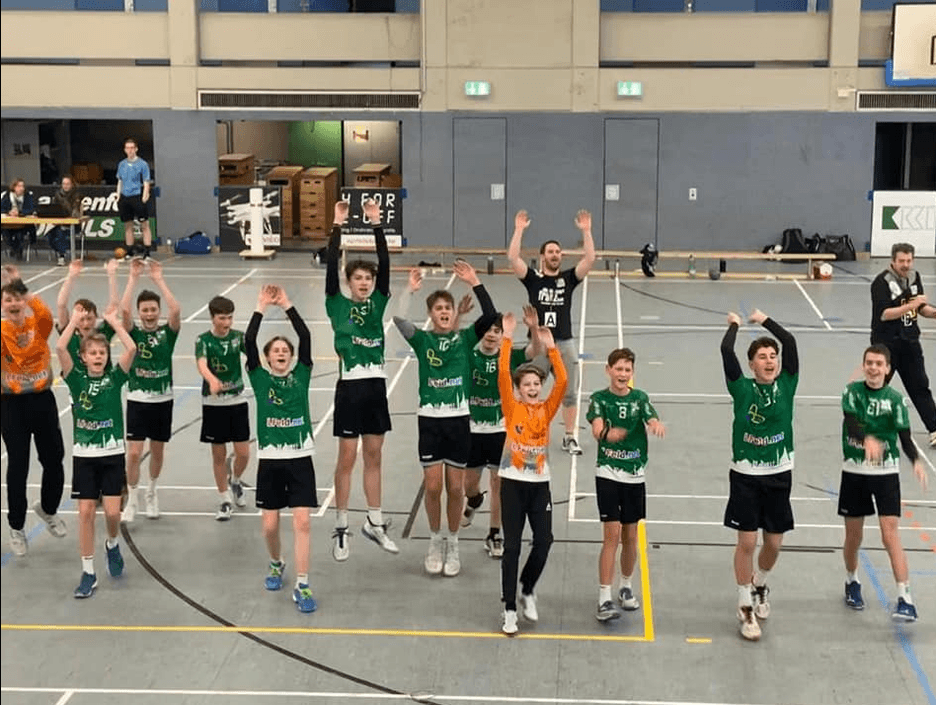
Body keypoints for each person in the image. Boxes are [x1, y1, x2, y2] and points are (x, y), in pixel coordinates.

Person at [393, 261, 498, 577]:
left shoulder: (465, 339)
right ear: (431, 314)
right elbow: (399, 319)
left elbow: (491, 315)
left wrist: (475, 281)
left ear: (453, 314)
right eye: (438, 308)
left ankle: (453, 543)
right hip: (430, 422)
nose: (443, 312)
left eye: (447, 308)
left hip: (458, 422)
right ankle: (434, 540)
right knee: (432, 486)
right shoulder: (422, 340)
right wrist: (409, 291)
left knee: (455, 488)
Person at [720, 308, 799, 642]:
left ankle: (760, 583)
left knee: (774, 544)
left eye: (772, 356)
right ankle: (745, 606)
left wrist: (765, 320)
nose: (769, 361)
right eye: (762, 357)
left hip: (779, 473)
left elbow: (790, 342)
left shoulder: (787, 384)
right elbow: (726, 350)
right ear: (751, 364)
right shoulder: (741, 389)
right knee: (747, 542)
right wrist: (735, 325)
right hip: (746, 475)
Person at [325, 199, 396, 561]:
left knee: (374, 456)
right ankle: (341, 528)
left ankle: (375, 522)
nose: (365, 283)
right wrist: (337, 224)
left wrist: (376, 223)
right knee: (347, 458)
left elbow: (385, 262)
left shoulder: (378, 303)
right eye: (358, 278)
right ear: (349, 282)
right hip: (350, 387)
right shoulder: (336, 304)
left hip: (375, 386)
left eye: (368, 279)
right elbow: (330, 266)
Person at [839, 344, 928, 621]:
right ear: (864, 365)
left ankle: (905, 598)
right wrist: (866, 440)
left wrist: (915, 460)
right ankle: (852, 580)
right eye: (869, 363)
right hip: (854, 471)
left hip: (886, 473)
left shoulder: (896, 400)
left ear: (888, 369)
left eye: (879, 364)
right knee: (854, 536)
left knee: (890, 535)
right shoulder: (852, 392)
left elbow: (904, 436)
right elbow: (851, 423)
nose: (873, 368)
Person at [246, 284, 318, 613]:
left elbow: (305, 336)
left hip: (300, 460)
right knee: (270, 526)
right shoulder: (260, 379)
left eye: (285, 350)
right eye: (275, 350)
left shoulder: (302, 375)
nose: (281, 353)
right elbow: (249, 341)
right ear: (267, 357)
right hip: (270, 462)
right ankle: (277, 562)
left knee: (302, 523)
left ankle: (302, 584)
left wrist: (288, 305)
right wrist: (261, 306)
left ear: (291, 356)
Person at [57, 301, 137, 598]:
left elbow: (131, 349)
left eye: (102, 352)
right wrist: (73, 321)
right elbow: (60, 348)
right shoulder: (75, 378)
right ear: (83, 357)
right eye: (92, 353)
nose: (98, 356)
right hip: (85, 457)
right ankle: (88, 572)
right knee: (86, 512)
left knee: (113, 514)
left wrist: (114, 323)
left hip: (112, 454)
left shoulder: (115, 378)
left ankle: (112, 544)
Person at [497, 313, 566, 635]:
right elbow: (502, 373)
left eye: (537, 384)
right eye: (527, 384)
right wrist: (507, 337)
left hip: (540, 485)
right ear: (519, 389)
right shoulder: (512, 407)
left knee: (544, 540)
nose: (533, 388)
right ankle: (509, 608)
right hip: (512, 484)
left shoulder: (546, 410)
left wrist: (552, 350)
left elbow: (562, 383)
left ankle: (527, 588)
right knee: (511, 546)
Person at [506, 209, 596, 455]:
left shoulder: (569, 279)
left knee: (570, 392)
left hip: (563, 343)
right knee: (527, 387)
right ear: (542, 256)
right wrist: (519, 229)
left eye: (558, 252)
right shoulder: (533, 279)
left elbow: (589, 259)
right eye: (550, 252)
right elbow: (513, 257)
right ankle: (525, 432)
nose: (555, 255)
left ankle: (569, 436)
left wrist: (586, 231)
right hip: (537, 344)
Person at [587, 348, 665, 623]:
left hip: (634, 476)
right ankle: (603, 597)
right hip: (608, 472)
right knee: (612, 534)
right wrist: (608, 434)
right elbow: (596, 429)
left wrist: (655, 424)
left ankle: (626, 586)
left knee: (631, 536)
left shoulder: (640, 398)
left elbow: (651, 417)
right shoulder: (599, 399)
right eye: (618, 369)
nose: (622, 374)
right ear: (608, 370)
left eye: (627, 370)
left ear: (632, 373)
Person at [462, 304, 540, 559]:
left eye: (497, 331)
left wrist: (533, 329)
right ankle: (474, 500)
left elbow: (534, 351)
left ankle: (494, 534)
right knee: (469, 484)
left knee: (498, 483)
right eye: (488, 330)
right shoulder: (469, 355)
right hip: (473, 429)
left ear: (502, 334)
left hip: (500, 429)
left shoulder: (509, 356)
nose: (491, 334)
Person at [1, 265, 67, 557]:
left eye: (18, 299)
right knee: (18, 465)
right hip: (11, 404)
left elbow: (44, 313)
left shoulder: (37, 326)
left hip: (42, 399)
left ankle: (48, 509)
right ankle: (16, 527)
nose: (14, 303)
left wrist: (19, 284)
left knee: (54, 458)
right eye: (8, 300)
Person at [119, 258, 181, 522]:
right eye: (144, 310)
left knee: (157, 451)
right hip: (137, 399)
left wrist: (158, 279)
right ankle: (132, 499)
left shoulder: (169, 333)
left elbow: (176, 310)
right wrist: (133, 278)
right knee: (134, 453)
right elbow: (123, 311)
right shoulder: (133, 333)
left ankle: (152, 492)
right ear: (139, 312)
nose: (149, 314)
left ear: (158, 311)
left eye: (153, 309)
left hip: (163, 400)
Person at [870, 243, 936, 448]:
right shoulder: (881, 282)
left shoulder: (914, 278)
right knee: (877, 386)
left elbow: (921, 308)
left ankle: (934, 429)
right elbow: (884, 314)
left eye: (909, 261)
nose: (906, 265)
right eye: (901, 261)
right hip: (886, 344)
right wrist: (911, 305)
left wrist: (933, 313)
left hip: (910, 343)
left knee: (920, 386)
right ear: (893, 261)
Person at [196, 295, 250, 521]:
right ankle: (224, 500)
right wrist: (212, 380)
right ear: (212, 318)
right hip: (214, 404)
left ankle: (235, 481)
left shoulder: (239, 337)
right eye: (222, 318)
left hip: (237, 401)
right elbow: (201, 363)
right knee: (218, 455)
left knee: (243, 453)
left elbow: (254, 357)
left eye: (229, 318)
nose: (226, 322)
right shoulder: (203, 340)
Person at [56, 258, 120, 370]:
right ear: (75, 319)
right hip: (78, 381)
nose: (86, 323)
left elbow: (114, 304)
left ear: (96, 317)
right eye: (81, 319)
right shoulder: (70, 336)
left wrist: (112, 274)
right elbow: (61, 305)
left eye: (89, 318)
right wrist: (71, 276)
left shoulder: (103, 333)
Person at [115, 137, 153, 258]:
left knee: (144, 224)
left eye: (132, 148)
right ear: (125, 150)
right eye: (127, 148)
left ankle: (147, 251)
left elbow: (146, 181)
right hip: (125, 197)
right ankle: (130, 251)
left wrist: (145, 196)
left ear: (136, 149)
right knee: (128, 225)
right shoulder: (122, 164)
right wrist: (118, 195)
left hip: (137, 196)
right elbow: (120, 181)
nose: (130, 150)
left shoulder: (143, 164)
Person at [49, 175, 84, 265]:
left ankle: (62, 256)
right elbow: (53, 209)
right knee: (50, 235)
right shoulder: (57, 195)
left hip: (73, 225)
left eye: (68, 184)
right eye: (64, 184)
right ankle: (61, 250)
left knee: (61, 233)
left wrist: (71, 216)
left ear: (72, 185)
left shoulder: (77, 195)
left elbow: (75, 210)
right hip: (60, 223)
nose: (65, 186)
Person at [1, 178, 37, 261]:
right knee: (5, 233)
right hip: (8, 224)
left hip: (23, 224)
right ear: (14, 187)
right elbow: (2, 208)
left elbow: (31, 209)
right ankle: (14, 248)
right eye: (19, 186)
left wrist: (19, 213)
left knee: (19, 234)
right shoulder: (7, 196)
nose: (22, 188)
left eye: (23, 186)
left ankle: (18, 252)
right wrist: (9, 212)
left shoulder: (28, 196)